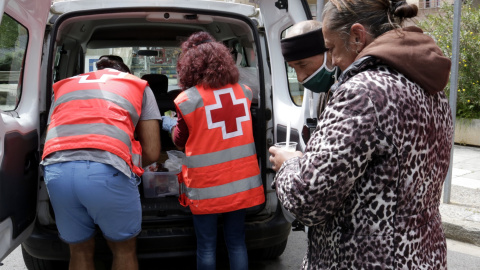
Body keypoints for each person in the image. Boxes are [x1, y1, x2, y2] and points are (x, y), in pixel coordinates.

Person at [269, 0, 453, 269]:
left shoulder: (363, 92)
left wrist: (289, 165)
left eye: (331, 48)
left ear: (357, 36)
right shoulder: (432, 89)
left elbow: (307, 199)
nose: (331, 60)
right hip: (423, 256)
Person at [41, 55, 161, 270]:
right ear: (125, 72)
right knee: (123, 249)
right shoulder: (137, 85)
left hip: (56, 170)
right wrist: (130, 163)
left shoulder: (64, 86)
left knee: (78, 250)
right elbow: (152, 152)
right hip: (106, 169)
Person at [162, 31, 265, 270]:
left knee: (207, 245)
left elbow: (179, 141)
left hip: (207, 184)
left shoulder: (187, 100)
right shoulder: (245, 92)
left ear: (190, 67)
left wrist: (169, 126)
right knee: (237, 242)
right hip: (240, 181)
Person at [281, 20, 339, 119]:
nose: (300, 78)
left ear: (329, 52)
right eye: (293, 68)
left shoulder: (355, 91)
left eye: (303, 65)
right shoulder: (326, 93)